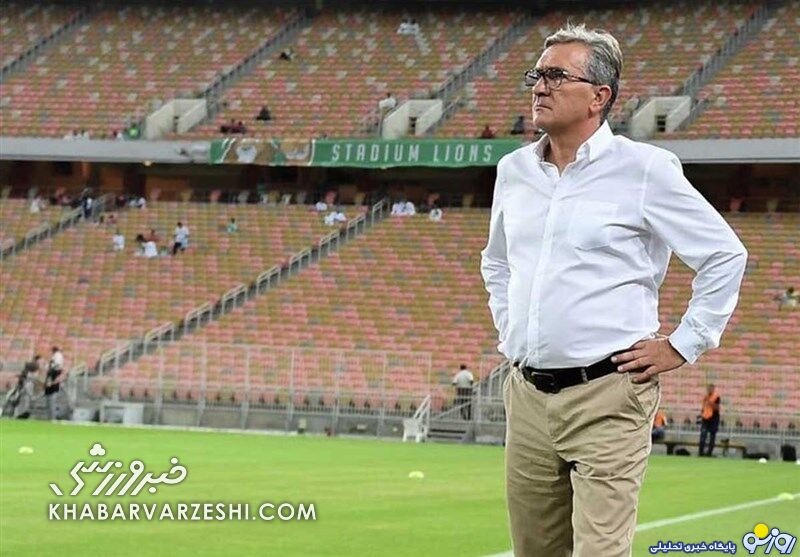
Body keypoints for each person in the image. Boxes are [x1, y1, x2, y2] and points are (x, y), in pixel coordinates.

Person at [480, 23, 747, 556]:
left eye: (557, 76)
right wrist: (511, 332)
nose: (540, 86)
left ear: (599, 97)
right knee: (535, 550)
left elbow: (724, 254)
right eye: (537, 74)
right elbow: (497, 262)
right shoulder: (513, 170)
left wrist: (682, 344)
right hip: (526, 396)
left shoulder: (644, 169)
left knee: (600, 550)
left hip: (609, 392)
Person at [699, 384, 721, 457]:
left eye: (711, 389)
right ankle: (701, 452)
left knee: (712, 436)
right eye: (708, 389)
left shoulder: (716, 397)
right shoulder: (705, 397)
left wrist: (710, 402)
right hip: (705, 418)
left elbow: (717, 407)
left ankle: (709, 453)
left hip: (714, 418)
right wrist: (702, 412)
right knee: (703, 435)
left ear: (713, 389)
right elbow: (703, 407)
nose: (709, 390)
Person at [45, 347, 65, 420]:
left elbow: (57, 378)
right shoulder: (53, 369)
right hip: (50, 387)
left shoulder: (57, 357)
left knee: (51, 403)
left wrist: (51, 383)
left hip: (52, 388)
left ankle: (52, 418)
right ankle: (51, 418)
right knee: (50, 403)